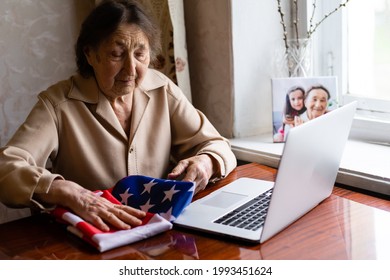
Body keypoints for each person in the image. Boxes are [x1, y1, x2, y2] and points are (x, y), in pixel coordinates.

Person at [0, 0, 236, 232]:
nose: (131, 69)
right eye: (116, 54)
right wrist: (67, 191)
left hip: (157, 229)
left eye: (140, 54)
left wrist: (206, 162)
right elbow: (7, 168)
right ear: (90, 54)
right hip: (94, 238)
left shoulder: (161, 88)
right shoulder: (58, 104)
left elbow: (216, 145)